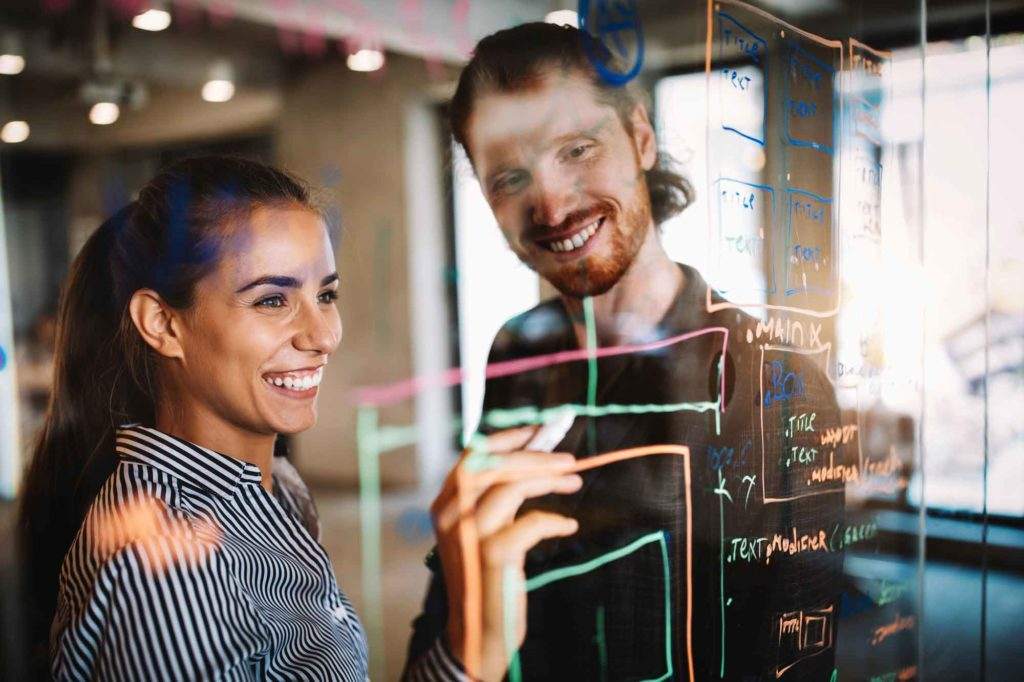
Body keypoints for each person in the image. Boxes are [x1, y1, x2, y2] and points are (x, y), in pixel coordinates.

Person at [404, 23, 847, 681]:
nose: (551, 204)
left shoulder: (775, 381)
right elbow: (459, 601)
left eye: (577, 150)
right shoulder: (518, 350)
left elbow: (799, 661)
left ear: (641, 137)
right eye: (509, 177)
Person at [16, 156, 558, 681]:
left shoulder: (281, 492)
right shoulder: (167, 566)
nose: (323, 335)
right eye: (272, 300)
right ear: (162, 322)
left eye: (325, 294)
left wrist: (471, 646)